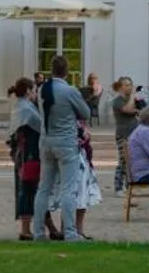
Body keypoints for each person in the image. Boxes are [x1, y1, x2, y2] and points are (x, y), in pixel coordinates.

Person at [33, 53, 91, 241]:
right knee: (68, 189)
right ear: (66, 71)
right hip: (66, 142)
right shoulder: (69, 91)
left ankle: (39, 232)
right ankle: (70, 233)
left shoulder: (42, 89)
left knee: (44, 188)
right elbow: (86, 112)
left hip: (46, 141)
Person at [7, 77, 42, 241]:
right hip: (29, 153)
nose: (35, 94)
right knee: (28, 189)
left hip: (23, 153)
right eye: (34, 90)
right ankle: (26, 229)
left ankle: (35, 226)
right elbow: (40, 127)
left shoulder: (20, 106)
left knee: (28, 189)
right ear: (28, 91)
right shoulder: (26, 109)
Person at [110, 77, 140, 191]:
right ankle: (118, 187)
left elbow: (139, 110)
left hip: (134, 134)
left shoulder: (132, 99)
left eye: (130, 85)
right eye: (127, 85)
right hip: (123, 134)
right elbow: (127, 109)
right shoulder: (117, 100)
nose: (130, 87)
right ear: (121, 87)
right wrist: (132, 96)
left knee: (132, 161)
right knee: (123, 160)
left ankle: (129, 186)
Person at [74, 127, 103, 234]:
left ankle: (77, 229)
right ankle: (72, 229)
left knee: (82, 192)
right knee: (75, 191)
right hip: (72, 150)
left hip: (80, 150)